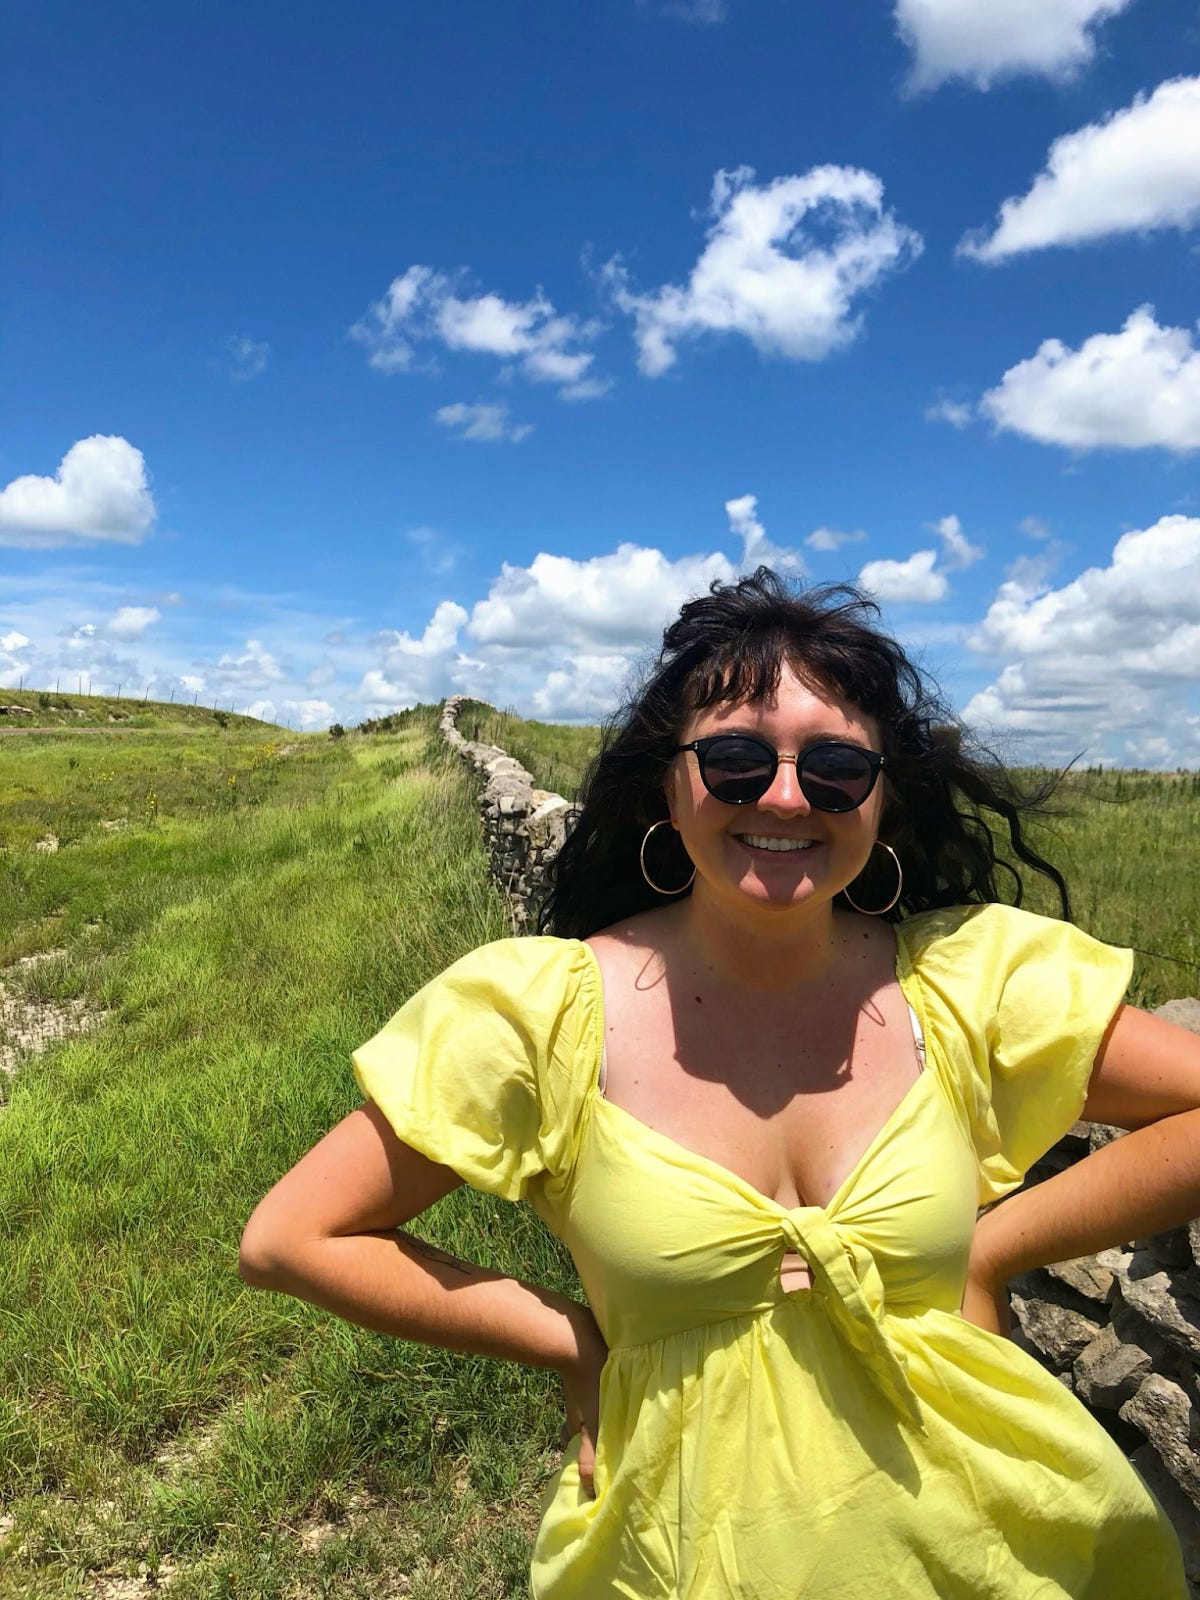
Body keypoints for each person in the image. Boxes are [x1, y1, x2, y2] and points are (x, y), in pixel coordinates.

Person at [240, 571, 1200, 1598]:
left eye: (835, 768)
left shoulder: (962, 985)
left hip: (1002, 1548)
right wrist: (565, 1334)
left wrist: (994, 1246)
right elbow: (292, 1237)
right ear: (671, 784)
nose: (786, 796)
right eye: (738, 759)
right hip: (681, 1557)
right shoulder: (545, 1013)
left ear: (880, 794)